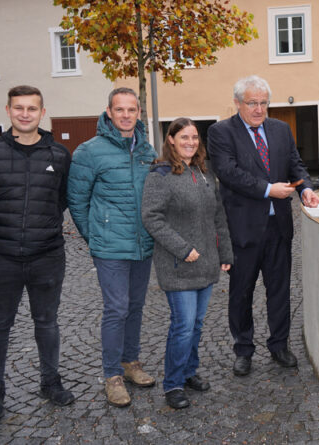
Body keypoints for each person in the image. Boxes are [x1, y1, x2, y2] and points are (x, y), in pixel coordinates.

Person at [0, 85, 75, 419]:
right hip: (1, 257)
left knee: (47, 323)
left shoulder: (59, 155)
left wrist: (39, 229)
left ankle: (50, 381)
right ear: (8, 111)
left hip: (46, 256)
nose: (25, 114)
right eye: (18, 108)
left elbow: (61, 200)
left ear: (42, 113)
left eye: (32, 108)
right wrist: (5, 230)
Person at [208, 76, 319, 377]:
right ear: (238, 103)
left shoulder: (281, 129)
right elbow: (228, 172)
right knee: (241, 293)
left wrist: (306, 189)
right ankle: (243, 349)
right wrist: (267, 189)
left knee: (279, 290)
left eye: (263, 103)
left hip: (279, 228)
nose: (259, 109)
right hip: (243, 229)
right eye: (252, 103)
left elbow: (296, 164)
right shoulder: (221, 132)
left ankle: (279, 345)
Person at [68, 87, 158, 408]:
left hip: (141, 243)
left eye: (131, 110)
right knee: (116, 308)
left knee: (135, 307)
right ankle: (111, 375)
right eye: (119, 110)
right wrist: (95, 238)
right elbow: (77, 202)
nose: (125, 115)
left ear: (138, 113)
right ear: (109, 112)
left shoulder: (147, 149)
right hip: (109, 247)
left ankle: (130, 363)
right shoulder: (88, 152)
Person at [141, 118, 233, 409]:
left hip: (205, 263)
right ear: (170, 140)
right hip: (178, 265)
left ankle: (189, 371)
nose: (191, 142)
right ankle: (173, 384)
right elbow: (151, 217)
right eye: (184, 137)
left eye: (194, 137)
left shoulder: (204, 172)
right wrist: (183, 249)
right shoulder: (161, 175)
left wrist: (226, 253)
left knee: (196, 324)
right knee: (182, 325)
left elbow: (218, 215)